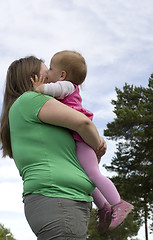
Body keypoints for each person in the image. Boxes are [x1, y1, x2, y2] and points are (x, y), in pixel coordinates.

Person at [0, 56, 107, 240]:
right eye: (45, 69)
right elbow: (84, 123)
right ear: (32, 77)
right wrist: (98, 143)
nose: (50, 73)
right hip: (58, 199)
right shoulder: (30, 99)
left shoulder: (34, 112)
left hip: (63, 200)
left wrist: (94, 150)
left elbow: (78, 160)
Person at [31, 50, 134, 233]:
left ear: (62, 75)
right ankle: (103, 208)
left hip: (81, 139)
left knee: (93, 173)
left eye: (52, 69)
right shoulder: (66, 88)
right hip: (76, 139)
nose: (48, 74)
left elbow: (54, 90)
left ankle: (118, 203)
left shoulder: (68, 86)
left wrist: (38, 89)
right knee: (84, 175)